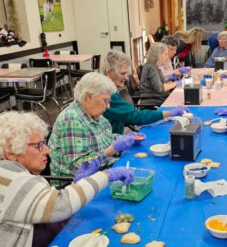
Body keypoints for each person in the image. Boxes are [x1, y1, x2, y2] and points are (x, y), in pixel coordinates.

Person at [0, 111, 133, 247]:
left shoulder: (16, 172)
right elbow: (59, 206)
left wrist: (76, 184)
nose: (47, 150)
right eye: (38, 145)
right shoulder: (11, 180)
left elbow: (42, 203)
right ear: (10, 152)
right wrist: (106, 175)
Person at [49, 72, 137, 179]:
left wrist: (126, 139)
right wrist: (111, 150)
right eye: (105, 100)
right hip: (75, 184)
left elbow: (106, 139)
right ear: (89, 96)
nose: (108, 106)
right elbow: (80, 167)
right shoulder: (72, 119)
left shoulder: (98, 117)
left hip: (102, 169)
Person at [101, 50, 189, 134]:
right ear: (110, 72)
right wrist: (170, 113)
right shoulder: (107, 94)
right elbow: (134, 116)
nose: (126, 78)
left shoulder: (109, 88)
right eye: (123, 74)